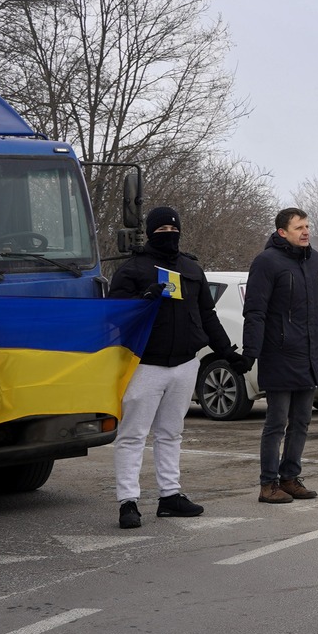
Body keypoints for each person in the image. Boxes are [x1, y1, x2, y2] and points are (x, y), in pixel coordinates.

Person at [110, 206, 238, 520]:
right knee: (133, 434)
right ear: (150, 232)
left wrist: (227, 352)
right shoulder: (132, 269)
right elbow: (113, 314)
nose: (169, 235)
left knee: (171, 433)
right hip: (145, 365)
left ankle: (170, 495)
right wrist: (143, 299)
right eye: (162, 231)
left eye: (173, 230)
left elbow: (207, 315)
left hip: (185, 364)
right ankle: (128, 502)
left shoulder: (191, 269)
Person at [244, 208, 318, 503]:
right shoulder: (266, 263)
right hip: (279, 353)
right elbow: (255, 311)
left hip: (308, 353)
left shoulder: (315, 261)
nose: (306, 231)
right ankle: (268, 484)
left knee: (302, 421)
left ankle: (289, 477)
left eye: (307, 226)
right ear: (281, 232)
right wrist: (251, 350)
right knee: (276, 423)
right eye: (299, 227)